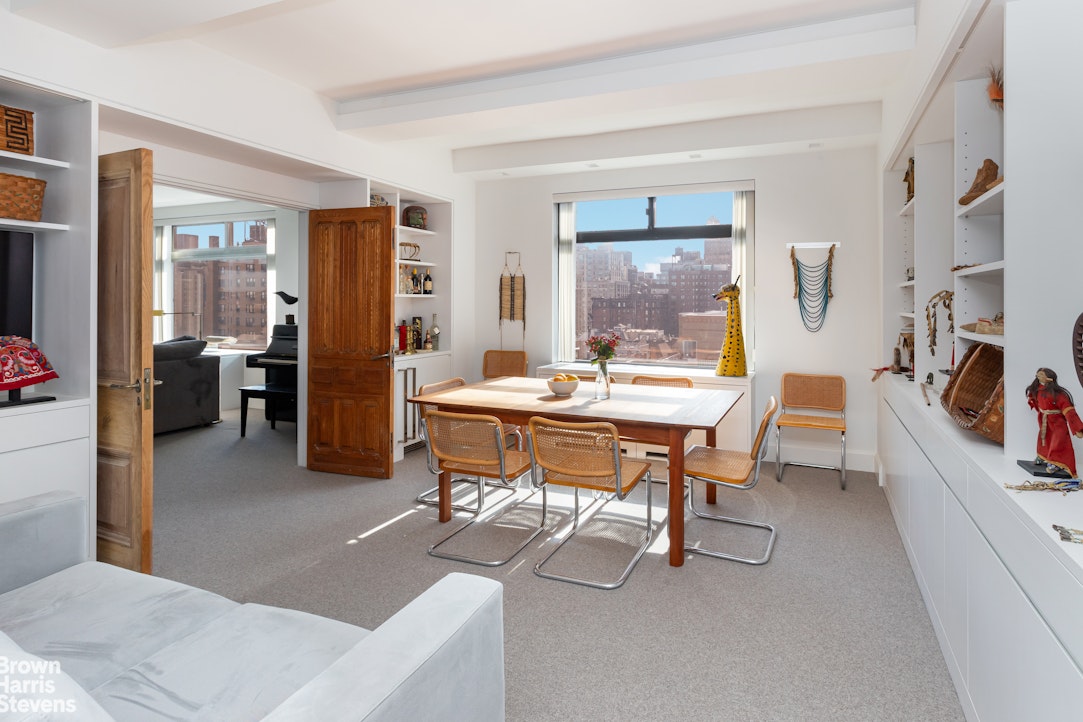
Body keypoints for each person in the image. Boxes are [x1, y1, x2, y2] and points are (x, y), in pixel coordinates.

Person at [1025, 368, 1083, 477]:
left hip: (1057, 423)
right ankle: (1042, 456)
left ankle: (1056, 462)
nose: (1038, 376)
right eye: (1038, 374)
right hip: (1044, 420)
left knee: (1058, 441)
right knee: (1044, 439)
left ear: (1049, 378)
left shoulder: (1059, 394)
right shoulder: (1038, 389)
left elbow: (1069, 411)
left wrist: (1077, 428)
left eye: (1041, 374)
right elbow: (1036, 400)